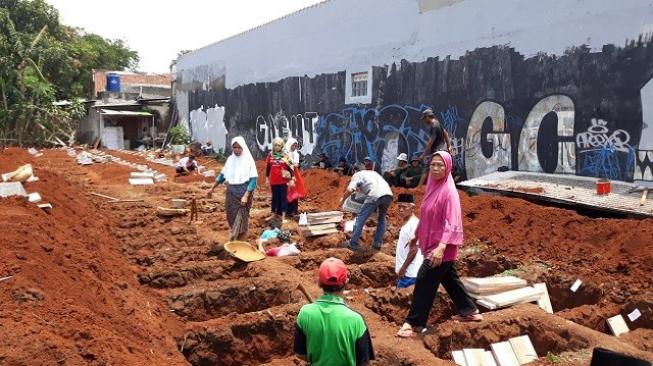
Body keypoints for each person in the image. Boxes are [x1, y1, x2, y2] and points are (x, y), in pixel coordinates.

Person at [397, 151, 482, 338]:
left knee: (424, 279)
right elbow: (427, 215)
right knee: (448, 277)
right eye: (433, 165)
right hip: (433, 243)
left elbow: (451, 223)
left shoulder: (449, 192)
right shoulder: (432, 187)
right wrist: (417, 235)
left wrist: (441, 247)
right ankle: (469, 310)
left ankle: (414, 323)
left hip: (441, 247)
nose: (435, 168)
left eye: (440, 165)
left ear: (448, 167)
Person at [294, 258, 375, 366]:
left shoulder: (305, 313)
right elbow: (364, 363)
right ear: (346, 282)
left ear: (319, 282)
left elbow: (300, 354)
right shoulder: (356, 320)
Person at [207, 137, 258, 241]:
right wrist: (212, 188)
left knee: (242, 221)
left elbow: (253, 180)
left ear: (243, 148)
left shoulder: (248, 160)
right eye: (234, 147)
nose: (237, 150)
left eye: (239, 147)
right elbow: (223, 175)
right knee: (231, 217)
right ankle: (235, 238)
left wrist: (246, 196)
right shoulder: (230, 160)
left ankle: (241, 244)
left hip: (244, 193)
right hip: (231, 193)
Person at [339, 169, 393, 251]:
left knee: (360, 218)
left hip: (374, 195)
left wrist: (342, 201)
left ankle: (353, 244)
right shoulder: (372, 173)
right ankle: (377, 244)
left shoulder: (356, 175)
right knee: (382, 218)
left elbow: (350, 190)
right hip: (388, 195)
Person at [395, 194, 424, 289]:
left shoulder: (415, 224)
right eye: (399, 206)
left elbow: (414, 249)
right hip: (406, 274)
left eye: (404, 207)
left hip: (410, 274)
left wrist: (403, 268)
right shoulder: (407, 224)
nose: (401, 209)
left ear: (412, 208)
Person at [418, 109, 453, 186]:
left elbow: (431, 141)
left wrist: (423, 155)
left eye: (424, 118)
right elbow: (445, 133)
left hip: (436, 152)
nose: (424, 121)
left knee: (426, 169)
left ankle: (418, 188)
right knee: (441, 170)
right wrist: (449, 146)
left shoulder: (434, 125)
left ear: (427, 117)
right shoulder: (437, 123)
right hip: (442, 151)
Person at [265, 138, 294, 221]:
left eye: (279, 145)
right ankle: (273, 214)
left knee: (283, 198)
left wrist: (291, 179)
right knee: (274, 198)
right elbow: (268, 167)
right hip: (273, 180)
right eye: (276, 145)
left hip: (283, 181)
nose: (277, 147)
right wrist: (267, 178)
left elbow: (291, 167)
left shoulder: (285, 155)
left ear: (282, 146)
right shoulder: (270, 155)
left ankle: (283, 216)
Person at [285, 138, 302, 217]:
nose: (294, 147)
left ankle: (294, 211)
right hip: (286, 174)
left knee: (294, 192)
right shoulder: (285, 153)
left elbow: (296, 164)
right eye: (293, 145)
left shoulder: (296, 154)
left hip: (294, 174)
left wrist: (290, 164)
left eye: (296, 145)